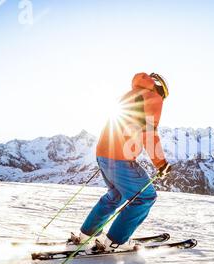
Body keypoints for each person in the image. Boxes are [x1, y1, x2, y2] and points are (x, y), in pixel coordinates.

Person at [69, 72, 172, 252]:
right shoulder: (153, 97)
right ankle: (116, 241)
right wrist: (161, 164)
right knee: (145, 197)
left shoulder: (129, 94)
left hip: (104, 152)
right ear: (160, 88)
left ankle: (88, 234)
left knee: (115, 195)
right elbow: (149, 133)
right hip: (119, 157)